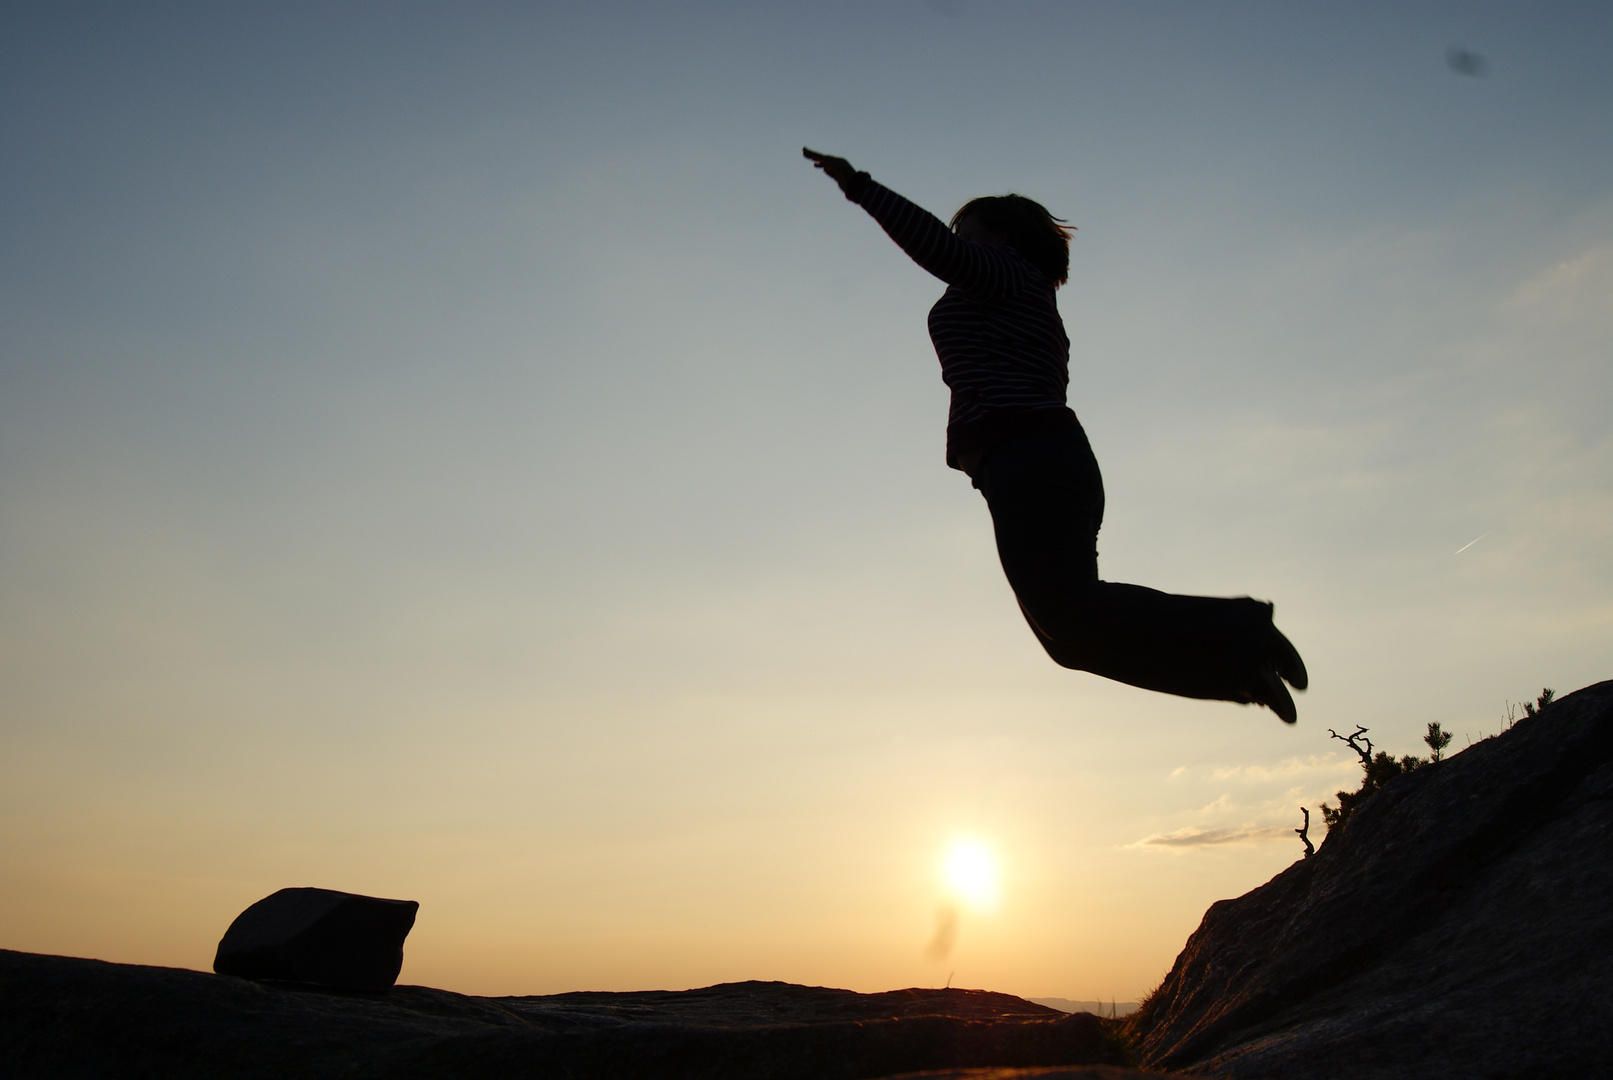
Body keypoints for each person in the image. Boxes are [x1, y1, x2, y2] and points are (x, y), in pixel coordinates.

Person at [803, 148, 1308, 722]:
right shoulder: (1021, 291)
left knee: (1067, 617)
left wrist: (860, 186)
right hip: (1028, 465)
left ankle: (1242, 633)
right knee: (1067, 637)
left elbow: (937, 251)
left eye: (967, 232)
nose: (958, 240)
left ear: (1006, 236)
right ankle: (1239, 669)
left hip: (1031, 457)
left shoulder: (1010, 274)